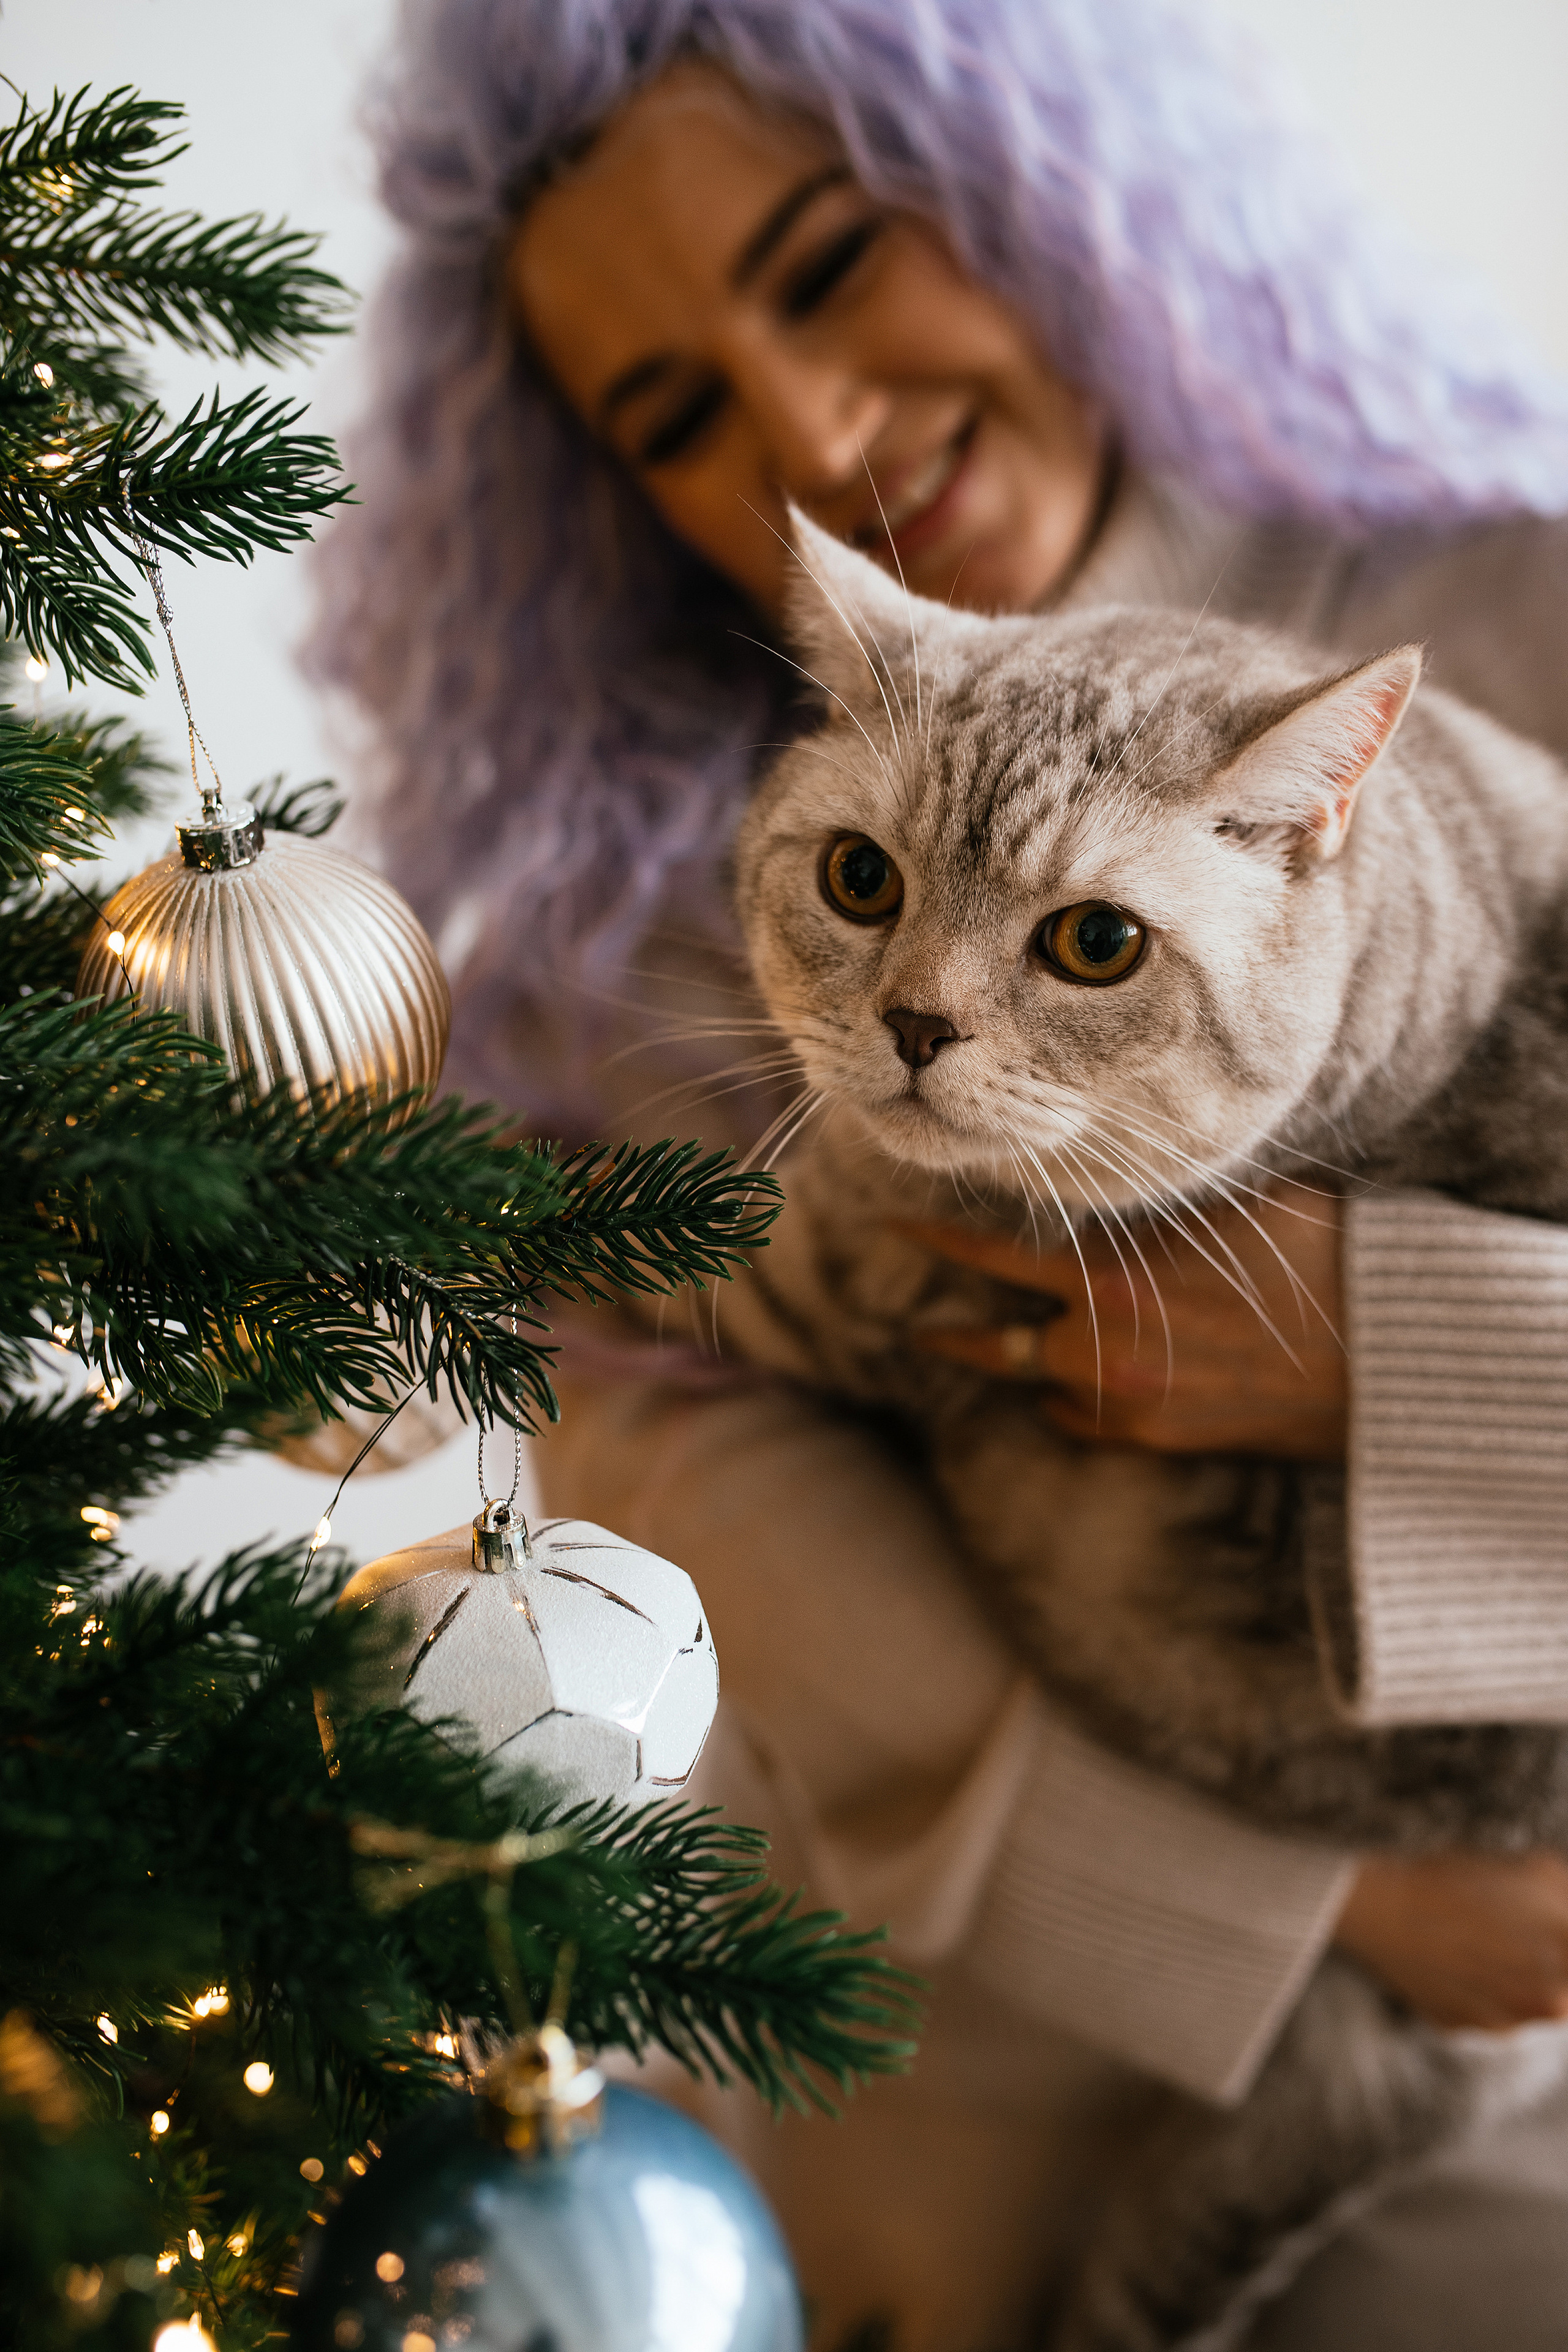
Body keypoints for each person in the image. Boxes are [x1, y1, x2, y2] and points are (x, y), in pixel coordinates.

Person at [315, 3, 1568, 2343]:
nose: (814, 431)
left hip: (1506, 2095)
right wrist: (1298, 1909)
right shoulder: (676, 934)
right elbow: (683, 1473)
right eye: (675, 410)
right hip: (956, 2090)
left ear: (1038, 193)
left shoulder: (1521, 632)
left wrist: (1359, 1346)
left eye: (828, 266)